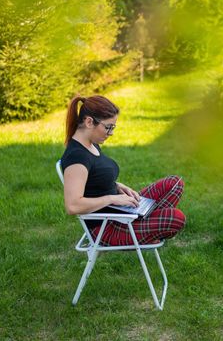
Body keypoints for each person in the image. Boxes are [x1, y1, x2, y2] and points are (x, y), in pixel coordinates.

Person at [60, 95, 186, 245]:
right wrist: (112, 198)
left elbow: (94, 179)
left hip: (120, 212)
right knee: (175, 217)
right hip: (106, 227)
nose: (111, 133)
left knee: (174, 183)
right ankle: (146, 227)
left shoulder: (91, 144)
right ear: (89, 122)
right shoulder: (77, 157)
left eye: (113, 127)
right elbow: (73, 206)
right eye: (108, 127)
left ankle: (144, 221)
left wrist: (118, 187)